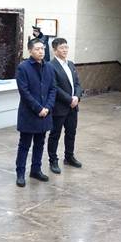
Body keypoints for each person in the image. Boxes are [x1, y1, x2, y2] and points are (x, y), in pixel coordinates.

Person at [14, 38, 56, 187]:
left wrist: (47, 107)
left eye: (42, 49)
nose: (41, 51)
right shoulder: (23, 67)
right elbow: (24, 92)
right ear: (30, 50)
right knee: (24, 144)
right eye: (37, 49)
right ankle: (20, 173)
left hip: (45, 113)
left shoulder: (49, 67)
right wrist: (39, 109)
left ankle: (36, 170)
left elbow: (53, 89)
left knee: (40, 143)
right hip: (29, 113)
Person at [47, 38, 83, 174]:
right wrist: (69, 99)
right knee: (55, 134)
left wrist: (77, 97)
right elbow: (54, 87)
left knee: (71, 132)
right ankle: (53, 160)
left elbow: (77, 84)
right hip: (59, 107)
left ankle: (69, 157)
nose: (65, 50)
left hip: (73, 106)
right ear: (55, 50)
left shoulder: (71, 64)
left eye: (66, 47)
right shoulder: (50, 66)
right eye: (62, 48)